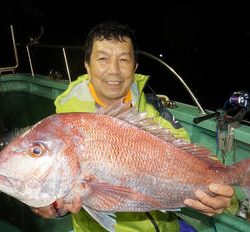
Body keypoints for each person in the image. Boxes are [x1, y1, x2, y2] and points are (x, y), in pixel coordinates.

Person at [32, 21, 235, 232]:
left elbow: (190, 164)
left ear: (135, 67)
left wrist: (217, 196)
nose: (114, 70)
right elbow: (57, 195)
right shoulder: (65, 127)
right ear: (87, 65)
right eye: (103, 58)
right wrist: (53, 207)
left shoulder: (154, 112)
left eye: (123, 59)